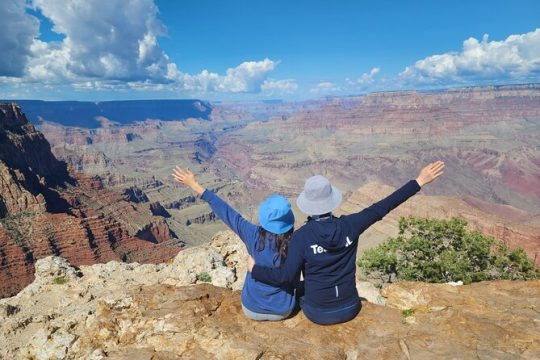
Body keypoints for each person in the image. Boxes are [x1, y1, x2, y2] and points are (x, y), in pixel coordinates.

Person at [248, 161, 445, 325]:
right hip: (351, 307)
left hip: (318, 314)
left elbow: (285, 277)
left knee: (296, 287)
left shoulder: (302, 237)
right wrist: (419, 181)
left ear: (308, 205)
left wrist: (254, 269)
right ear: (331, 200)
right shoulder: (352, 224)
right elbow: (384, 206)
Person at [172, 166, 299, 321]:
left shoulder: (252, 234)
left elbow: (227, 212)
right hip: (283, 310)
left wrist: (194, 185)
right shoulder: (297, 242)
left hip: (252, 309)